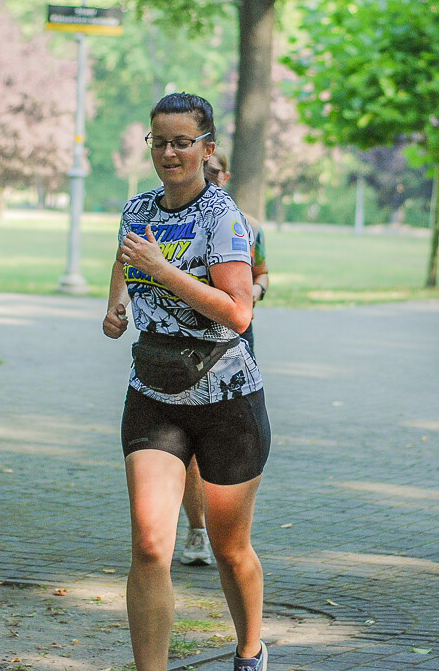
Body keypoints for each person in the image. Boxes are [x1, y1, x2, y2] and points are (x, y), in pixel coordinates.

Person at [103, 92, 270, 671]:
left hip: (226, 398)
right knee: (151, 546)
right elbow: (125, 262)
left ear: (207, 147)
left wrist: (163, 273)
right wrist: (117, 305)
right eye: (160, 141)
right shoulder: (138, 210)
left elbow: (238, 311)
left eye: (182, 141)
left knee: (229, 550)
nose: (169, 153)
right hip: (154, 395)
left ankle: (250, 651)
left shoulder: (224, 217)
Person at [176, 150, 270, 567]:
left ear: (224, 174)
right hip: (180, 343)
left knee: (218, 440)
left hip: (233, 337)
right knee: (187, 449)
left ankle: (224, 530)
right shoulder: (173, 217)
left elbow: (262, 273)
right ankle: (197, 527)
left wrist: (256, 292)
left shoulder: (247, 227)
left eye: (213, 171)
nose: (206, 176)